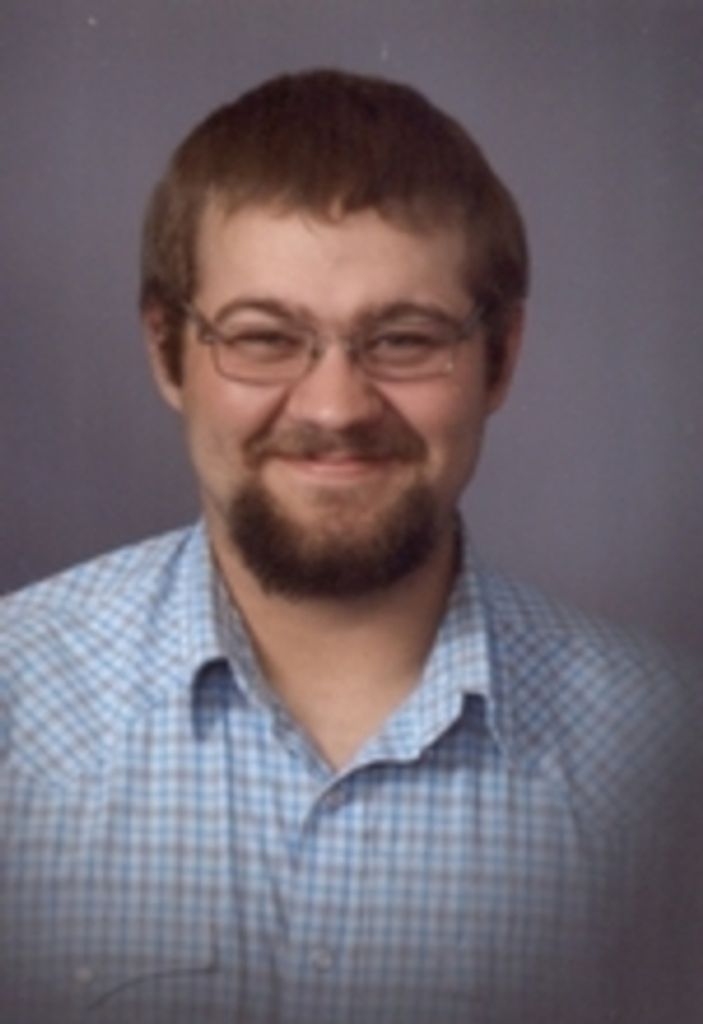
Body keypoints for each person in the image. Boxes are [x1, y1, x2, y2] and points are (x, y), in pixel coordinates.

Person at [1, 69, 699, 1024]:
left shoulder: (667, 761)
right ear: (166, 351)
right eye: (262, 338)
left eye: (404, 339)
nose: (334, 407)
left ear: (500, 358)